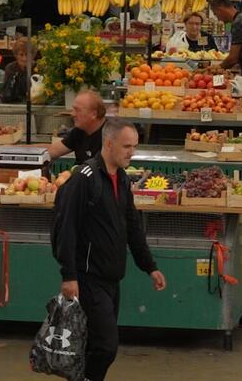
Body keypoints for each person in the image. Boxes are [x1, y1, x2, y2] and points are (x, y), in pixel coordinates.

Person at [51, 118, 167, 381]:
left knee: (96, 344)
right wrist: (68, 275)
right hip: (88, 277)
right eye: (126, 146)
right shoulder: (84, 178)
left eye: (134, 146)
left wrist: (150, 266)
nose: (131, 152)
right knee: (106, 346)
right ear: (109, 143)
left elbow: (133, 227)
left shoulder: (122, 179)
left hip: (112, 277)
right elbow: (66, 229)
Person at [47, 90, 107, 163]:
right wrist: (30, 150)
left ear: (93, 114)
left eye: (77, 110)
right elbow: (53, 150)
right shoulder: (79, 131)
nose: (72, 114)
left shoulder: (111, 135)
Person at [0, 37, 32, 104]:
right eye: (21, 55)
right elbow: (6, 90)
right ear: (16, 55)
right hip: (14, 103)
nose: (24, 58)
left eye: (27, 54)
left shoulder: (37, 67)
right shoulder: (10, 68)